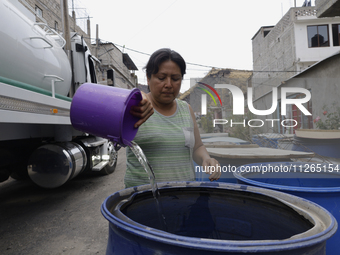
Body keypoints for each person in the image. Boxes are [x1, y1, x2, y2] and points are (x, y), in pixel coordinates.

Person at [126, 48, 221, 188]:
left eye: (175, 79)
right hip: (143, 200)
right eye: (161, 78)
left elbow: (197, 147)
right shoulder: (135, 108)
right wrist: (131, 100)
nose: (169, 85)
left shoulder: (186, 109)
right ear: (148, 78)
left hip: (184, 197)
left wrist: (206, 158)